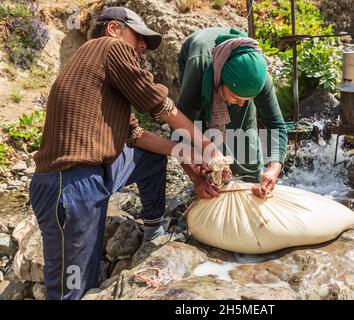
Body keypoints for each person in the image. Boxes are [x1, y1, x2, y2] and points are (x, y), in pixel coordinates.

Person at [29, 7, 220, 300]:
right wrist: (206, 147)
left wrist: (183, 152)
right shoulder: (110, 46)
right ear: (113, 29)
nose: (142, 46)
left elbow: (136, 135)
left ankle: (152, 231)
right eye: (139, 36)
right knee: (74, 288)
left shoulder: (95, 76)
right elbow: (154, 99)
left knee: (151, 158)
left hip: (92, 176)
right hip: (67, 185)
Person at [177, 27, 288, 198]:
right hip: (200, 62)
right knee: (203, 133)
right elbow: (180, 127)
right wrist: (196, 179)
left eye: (248, 99)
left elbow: (276, 124)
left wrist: (273, 169)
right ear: (221, 80)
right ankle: (211, 179)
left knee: (244, 141)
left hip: (236, 79)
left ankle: (249, 178)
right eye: (237, 98)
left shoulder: (258, 75)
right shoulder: (199, 65)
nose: (242, 104)